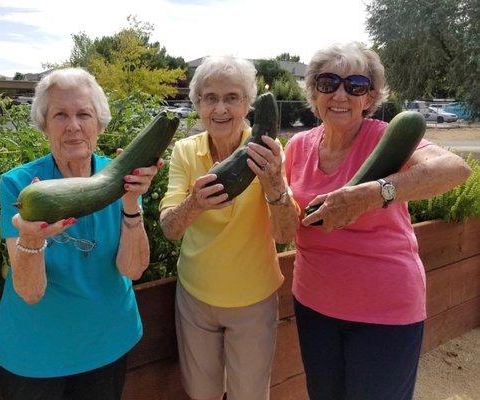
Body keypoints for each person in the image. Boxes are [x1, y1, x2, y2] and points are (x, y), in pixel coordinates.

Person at [285, 42, 471, 400]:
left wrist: (372, 194)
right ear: (313, 92)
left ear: (369, 97)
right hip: (314, 305)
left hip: (385, 311)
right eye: (328, 83)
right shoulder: (297, 146)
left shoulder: (388, 138)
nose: (340, 94)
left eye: (355, 85)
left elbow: (455, 169)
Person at [0, 68, 161, 400]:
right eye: (60, 114)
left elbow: (132, 270)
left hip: (108, 343)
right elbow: (30, 293)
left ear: (99, 124)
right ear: (44, 124)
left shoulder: (122, 179)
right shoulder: (20, 186)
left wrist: (131, 202)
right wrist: (32, 239)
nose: (73, 125)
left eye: (83, 114)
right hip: (34, 355)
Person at [159, 55, 299, 400]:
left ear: (248, 104)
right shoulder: (184, 151)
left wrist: (275, 185)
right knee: (200, 392)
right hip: (195, 297)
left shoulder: (269, 152)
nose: (220, 108)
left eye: (232, 97)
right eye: (210, 98)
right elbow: (169, 228)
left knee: (249, 394)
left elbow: (285, 235)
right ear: (198, 104)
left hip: (253, 299)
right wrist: (195, 203)